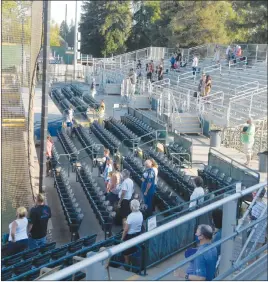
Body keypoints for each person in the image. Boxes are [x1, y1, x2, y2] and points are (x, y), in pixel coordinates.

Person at [121, 199, 143, 266]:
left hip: (130, 236)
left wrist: (122, 238)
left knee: (125, 251)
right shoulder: (140, 214)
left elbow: (126, 230)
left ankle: (127, 264)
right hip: (138, 234)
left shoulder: (131, 216)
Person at [247, 188, 267, 263]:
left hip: (254, 236)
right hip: (261, 236)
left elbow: (252, 223)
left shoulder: (255, 207)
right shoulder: (265, 206)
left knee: (251, 259)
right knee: (257, 258)